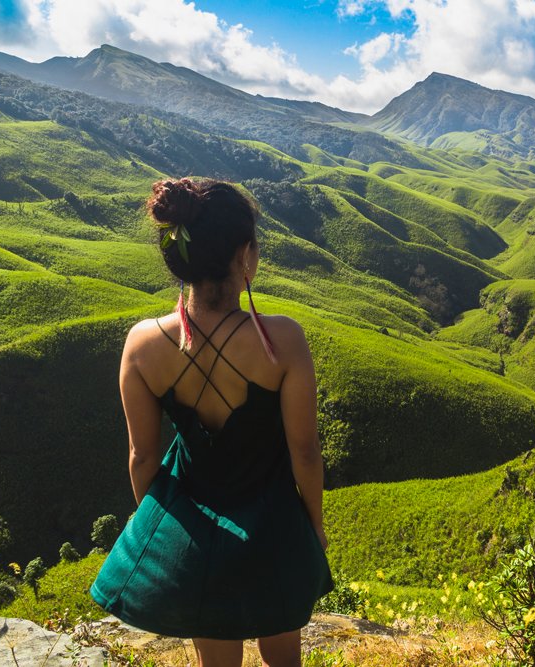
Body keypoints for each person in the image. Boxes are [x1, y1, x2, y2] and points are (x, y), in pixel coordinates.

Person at [90, 177, 334, 667]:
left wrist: (166, 532)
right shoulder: (284, 339)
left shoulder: (142, 344)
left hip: (195, 522)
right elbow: (304, 452)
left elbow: (142, 457)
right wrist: (314, 526)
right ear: (245, 256)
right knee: (284, 657)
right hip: (274, 522)